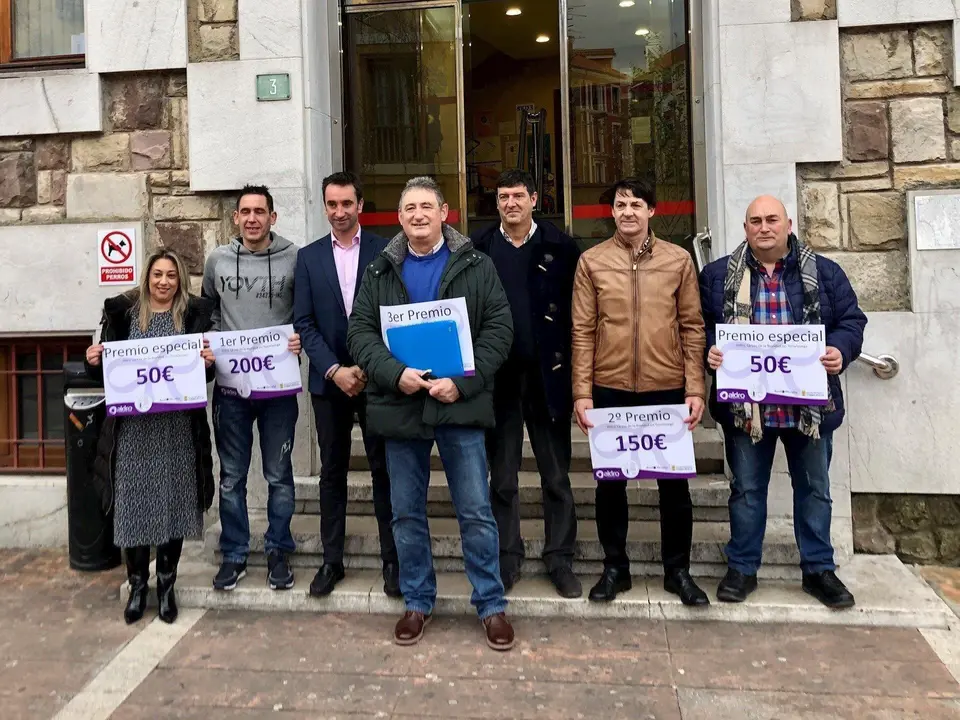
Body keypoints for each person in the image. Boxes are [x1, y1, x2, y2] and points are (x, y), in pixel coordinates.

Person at [347, 176, 516, 651]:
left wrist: (461, 383)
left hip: (457, 404)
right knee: (405, 512)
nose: (418, 215)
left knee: (476, 512)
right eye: (409, 208)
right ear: (399, 219)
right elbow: (359, 333)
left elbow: (499, 330)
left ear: (445, 213)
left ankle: (491, 605)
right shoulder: (380, 269)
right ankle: (417, 600)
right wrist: (392, 373)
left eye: (427, 206)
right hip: (400, 404)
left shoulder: (476, 265)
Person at [699, 195, 866, 609]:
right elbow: (697, 326)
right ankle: (741, 568)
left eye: (772, 219)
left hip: (808, 408)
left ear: (788, 224)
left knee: (814, 490)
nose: (764, 227)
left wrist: (840, 351)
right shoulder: (718, 275)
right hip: (747, 410)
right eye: (755, 220)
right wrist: (709, 350)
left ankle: (818, 571)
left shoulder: (824, 272)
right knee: (747, 491)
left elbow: (851, 321)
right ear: (745, 228)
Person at [571, 177, 710, 606]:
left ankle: (678, 571)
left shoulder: (679, 260)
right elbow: (581, 331)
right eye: (620, 205)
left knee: (673, 486)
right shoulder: (591, 261)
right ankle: (615, 568)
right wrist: (582, 392)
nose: (627, 211)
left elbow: (691, 327)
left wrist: (695, 386)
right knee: (610, 485)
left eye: (636, 204)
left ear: (652, 211)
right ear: (611, 212)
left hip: (666, 385)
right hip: (609, 387)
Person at [84, 249, 216, 624]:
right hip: (132, 432)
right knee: (133, 509)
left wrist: (208, 365)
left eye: (171, 276)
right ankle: (138, 585)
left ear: (180, 281)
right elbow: (106, 373)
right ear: (147, 277)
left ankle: (167, 584)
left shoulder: (193, 316)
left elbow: (198, 376)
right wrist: (92, 360)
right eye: (157, 274)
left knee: (172, 505)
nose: (163, 282)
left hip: (176, 429)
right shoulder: (122, 316)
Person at [471, 169, 581, 598]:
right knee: (502, 478)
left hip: (548, 378)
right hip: (498, 381)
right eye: (503, 197)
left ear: (534, 199)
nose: (511, 203)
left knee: (556, 476)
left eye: (518, 195)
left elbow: (579, 314)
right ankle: (507, 558)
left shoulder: (561, 246)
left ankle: (560, 559)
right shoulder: (479, 249)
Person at [293, 171, 399, 599]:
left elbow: (395, 312)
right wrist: (335, 369)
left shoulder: (387, 250)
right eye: (332, 205)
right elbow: (304, 322)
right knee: (332, 473)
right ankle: (331, 561)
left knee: (384, 472)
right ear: (324, 206)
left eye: (346, 204)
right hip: (329, 382)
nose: (339, 212)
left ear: (360, 205)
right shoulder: (308, 257)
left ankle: (392, 561)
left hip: (378, 381)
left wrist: (374, 367)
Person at [202, 184, 302, 592]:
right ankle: (235, 553)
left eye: (260, 211)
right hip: (230, 389)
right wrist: (209, 345)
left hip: (277, 387)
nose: (252, 219)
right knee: (231, 476)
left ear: (272, 217)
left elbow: (304, 311)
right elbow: (208, 312)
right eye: (245, 212)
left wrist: (296, 337)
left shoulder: (295, 258)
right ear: (236, 218)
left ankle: (279, 550)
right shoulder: (218, 261)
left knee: (279, 475)